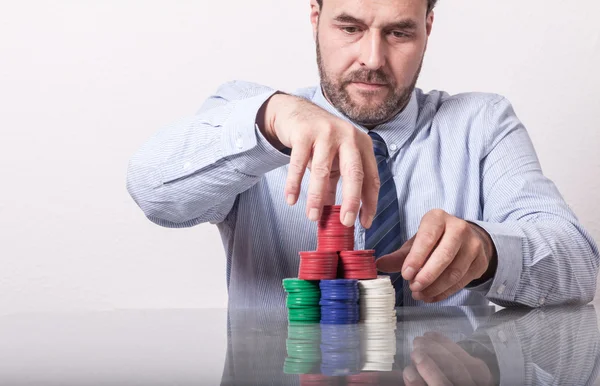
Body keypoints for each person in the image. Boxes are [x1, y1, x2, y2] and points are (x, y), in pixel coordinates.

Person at [126, 0, 599, 308]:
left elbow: (580, 265)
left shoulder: (483, 123)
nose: (372, 58)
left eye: (398, 33)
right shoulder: (248, 118)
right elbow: (153, 191)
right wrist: (270, 123)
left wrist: (489, 250)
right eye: (350, 27)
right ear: (315, 19)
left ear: (428, 28)